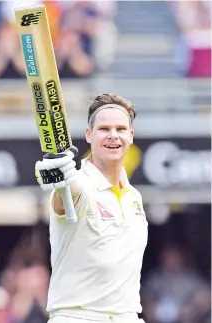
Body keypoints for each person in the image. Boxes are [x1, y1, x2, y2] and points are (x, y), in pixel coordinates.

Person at [35, 94, 148, 323]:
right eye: (104, 128)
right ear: (89, 134)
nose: (113, 136)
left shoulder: (134, 197)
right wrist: (60, 178)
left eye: (120, 129)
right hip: (78, 317)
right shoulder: (79, 185)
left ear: (131, 135)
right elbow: (67, 193)